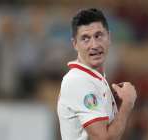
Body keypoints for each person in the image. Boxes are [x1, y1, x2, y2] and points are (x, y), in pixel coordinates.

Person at [57, 8, 137, 140]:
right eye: (85, 39)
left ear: (109, 37)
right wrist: (127, 104)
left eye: (98, 36)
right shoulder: (78, 81)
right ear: (75, 44)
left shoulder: (93, 78)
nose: (94, 45)